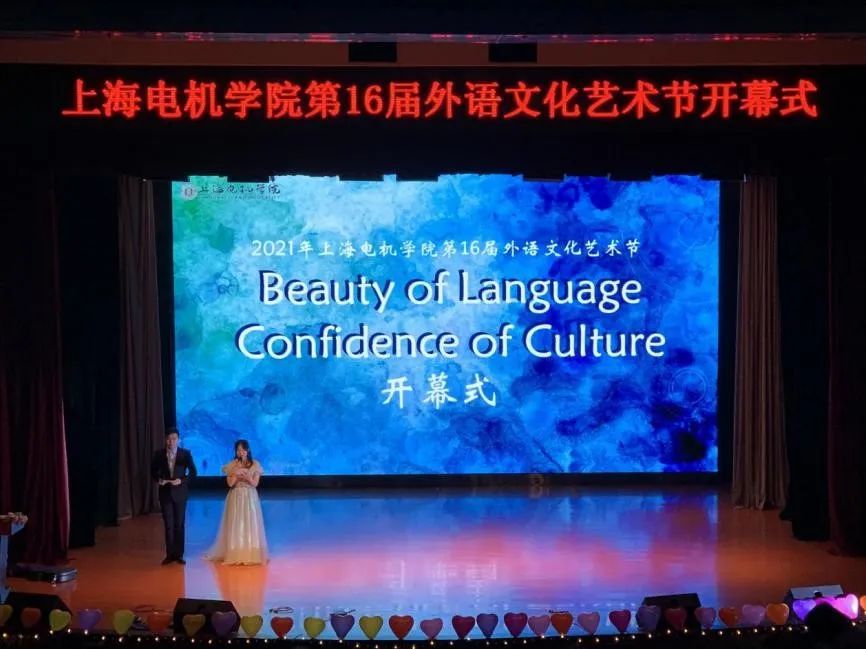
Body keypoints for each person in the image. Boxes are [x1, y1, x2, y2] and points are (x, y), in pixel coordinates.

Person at [205, 440, 268, 565]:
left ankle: (250, 552)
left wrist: (247, 477)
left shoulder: (255, 464)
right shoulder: (232, 465)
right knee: (236, 523)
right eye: (238, 450)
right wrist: (236, 474)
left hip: (250, 497)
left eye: (243, 450)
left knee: (250, 523)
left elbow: (255, 483)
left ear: (247, 450)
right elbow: (230, 484)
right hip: (235, 496)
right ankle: (235, 551)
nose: (241, 452)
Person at [151, 426, 198, 565]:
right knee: (168, 525)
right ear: (165, 440)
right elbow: (153, 472)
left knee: (179, 524)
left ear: (178, 439)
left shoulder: (185, 454)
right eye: (169, 439)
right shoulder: (159, 454)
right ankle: (170, 554)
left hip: (180, 494)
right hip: (165, 493)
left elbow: (193, 472)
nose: (171, 441)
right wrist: (159, 480)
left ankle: (179, 554)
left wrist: (182, 480)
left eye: (174, 438)